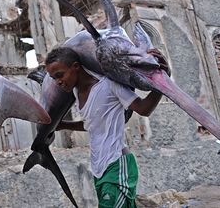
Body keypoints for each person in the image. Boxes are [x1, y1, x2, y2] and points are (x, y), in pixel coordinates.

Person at [45, 47, 171, 208]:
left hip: (117, 165)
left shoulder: (109, 85)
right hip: (99, 170)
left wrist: (163, 81)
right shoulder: (77, 92)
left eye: (60, 75)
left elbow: (144, 108)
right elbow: (93, 125)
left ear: (75, 67)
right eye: (54, 78)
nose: (58, 82)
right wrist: (63, 125)